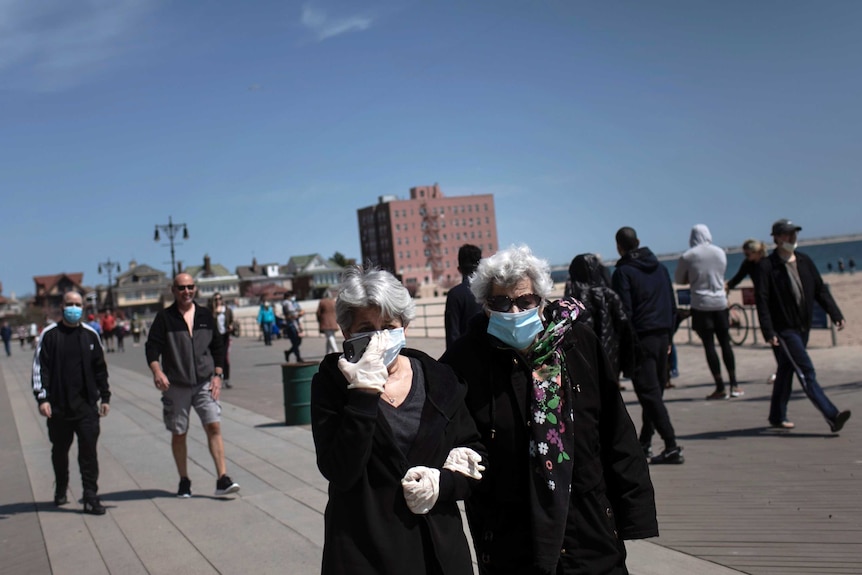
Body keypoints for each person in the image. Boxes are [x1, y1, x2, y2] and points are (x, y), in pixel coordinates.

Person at [441, 245, 657, 575]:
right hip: (509, 534)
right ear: (485, 305)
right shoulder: (464, 360)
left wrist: (634, 512)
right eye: (500, 302)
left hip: (589, 523)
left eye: (524, 301)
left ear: (541, 300)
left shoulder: (580, 343)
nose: (513, 310)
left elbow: (617, 432)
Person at [311, 266, 485, 575]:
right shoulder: (331, 384)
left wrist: (441, 485)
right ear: (347, 332)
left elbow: (474, 453)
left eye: (388, 326)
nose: (379, 338)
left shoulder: (442, 381)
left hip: (437, 549)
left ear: (404, 326)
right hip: (364, 551)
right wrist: (362, 395)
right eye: (367, 327)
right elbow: (339, 471)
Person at [145, 273, 240, 497]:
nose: (186, 291)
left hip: (204, 383)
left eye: (190, 287)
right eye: (181, 288)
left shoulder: (206, 315)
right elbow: (152, 347)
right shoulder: (165, 318)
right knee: (179, 432)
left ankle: (222, 479)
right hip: (176, 385)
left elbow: (218, 347)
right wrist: (157, 371)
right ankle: (184, 480)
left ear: (195, 288)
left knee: (214, 426)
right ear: (173, 290)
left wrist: (218, 375)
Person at [754, 219, 851, 432]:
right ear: (777, 238)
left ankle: (777, 415)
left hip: (802, 327)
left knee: (786, 370)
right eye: (787, 234)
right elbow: (761, 300)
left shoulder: (805, 261)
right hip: (783, 329)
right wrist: (768, 331)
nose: (792, 238)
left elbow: (820, 290)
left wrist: (835, 314)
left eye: (794, 233)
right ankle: (832, 415)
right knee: (806, 371)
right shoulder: (767, 266)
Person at [32, 291, 110, 514]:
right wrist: (42, 398)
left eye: (77, 304)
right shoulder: (50, 335)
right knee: (60, 451)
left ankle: (90, 496)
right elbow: (40, 368)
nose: (73, 308)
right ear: (61, 307)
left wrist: (105, 396)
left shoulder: (90, 335)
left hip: (86, 406)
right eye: (69, 304)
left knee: (89, 453)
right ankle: (61, 486)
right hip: (58, 407)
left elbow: (100, 369)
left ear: (83, 307)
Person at [613, 226, 684, 465]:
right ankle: (644, 442)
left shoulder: (623, 272)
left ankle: (671, 445)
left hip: (640, 339)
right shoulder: (661, 268)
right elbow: (672, 307)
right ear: (639, 242)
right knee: (654, 394)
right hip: (663, 336)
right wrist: (669, 338)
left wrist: (624, 347)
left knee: (650, 395)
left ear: (619, 247)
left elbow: (624, 314)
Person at [675, 224, 742, 399]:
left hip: (701, 304)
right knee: (725, 343)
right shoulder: (720, 252)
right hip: (720, 302)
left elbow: (679, 279)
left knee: (709, 345)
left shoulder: (688, 256)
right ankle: (734, 383)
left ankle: (720, 385)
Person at [567, 252, 636, 385]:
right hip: (611, 355)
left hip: (584, 361)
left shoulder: (572, 300)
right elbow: (625, 327)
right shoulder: (609, 294)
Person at [444, 244, 483, 349]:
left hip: (464, 356)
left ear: (459, 269)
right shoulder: (490, 292)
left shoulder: (455, 294)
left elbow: (453, 333)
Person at [210, 293, 235, 388]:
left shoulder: (227, 310)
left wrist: (231, 326)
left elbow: (231, 320)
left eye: (219, 298)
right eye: (215, 299)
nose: (218, 301)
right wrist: (215, 314)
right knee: (215, 358)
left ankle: (226, 379)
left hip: (225, 336)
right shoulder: (211, 311)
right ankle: (216, 377)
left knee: (225, 358)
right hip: (215, 338)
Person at [315, 289, 339, 355]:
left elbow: (318, 313)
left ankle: (336, 351)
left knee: (330, 338)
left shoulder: (322, 302)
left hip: (325, 322)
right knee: (330, 337)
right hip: (333, 322)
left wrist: (319, 320)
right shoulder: (333, 302)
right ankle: (328, 353)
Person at [283, 291, 305, 361]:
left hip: (296, 324)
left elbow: (299, 310)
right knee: (295, 341)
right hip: (291, 325)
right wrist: (298, 314)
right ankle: (298, 357)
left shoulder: (292, 303)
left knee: (298, 341)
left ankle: (289, 352)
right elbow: (291, 314)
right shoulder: (287, 303)